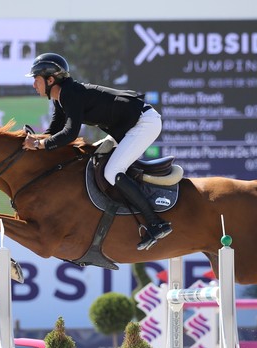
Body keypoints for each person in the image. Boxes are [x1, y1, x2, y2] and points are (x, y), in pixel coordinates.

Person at [22, 52, 172, 251]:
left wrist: (39, 145)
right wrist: (35, 141)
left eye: (36, 79)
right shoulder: (61, 97)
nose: (34, 85)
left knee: (112, 172)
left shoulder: (70, 94)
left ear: (50, 79)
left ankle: (155, 222)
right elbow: (54, 131)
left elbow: (69, 133)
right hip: (130, 124)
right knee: (95, 157)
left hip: (143, 123)